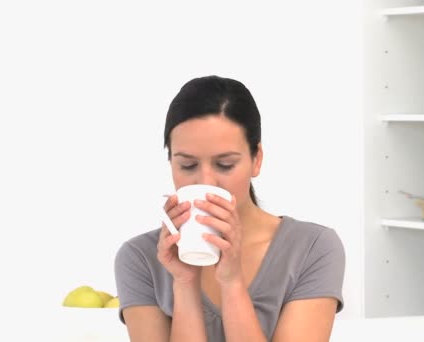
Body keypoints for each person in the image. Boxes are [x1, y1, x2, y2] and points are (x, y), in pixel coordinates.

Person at [114, 75, 346, 342]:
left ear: (256, 159)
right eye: (187, 166)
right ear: (170, 163)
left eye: (225, 164)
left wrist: (232, 283)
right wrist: (185, 283)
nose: (205, 181)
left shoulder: (313, 248)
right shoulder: (140, 258)